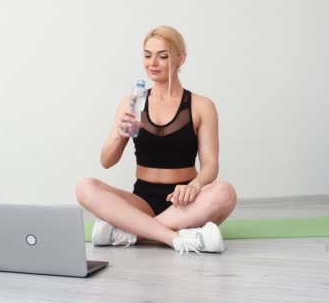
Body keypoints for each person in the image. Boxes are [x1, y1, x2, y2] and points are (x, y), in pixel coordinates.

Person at [76, 25, 237, 254]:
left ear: (181, 58)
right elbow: (106, 161)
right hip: (142, 201)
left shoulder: (202, 106)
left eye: (163, 56)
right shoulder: (132, 102)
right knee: (85, 187)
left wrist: (194, 186)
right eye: (147, 55)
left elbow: (211, 165)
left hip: (184, 202)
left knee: (225, 192)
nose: (153, 63)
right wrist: (121, 133)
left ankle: (131, 232)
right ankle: (176, 238)